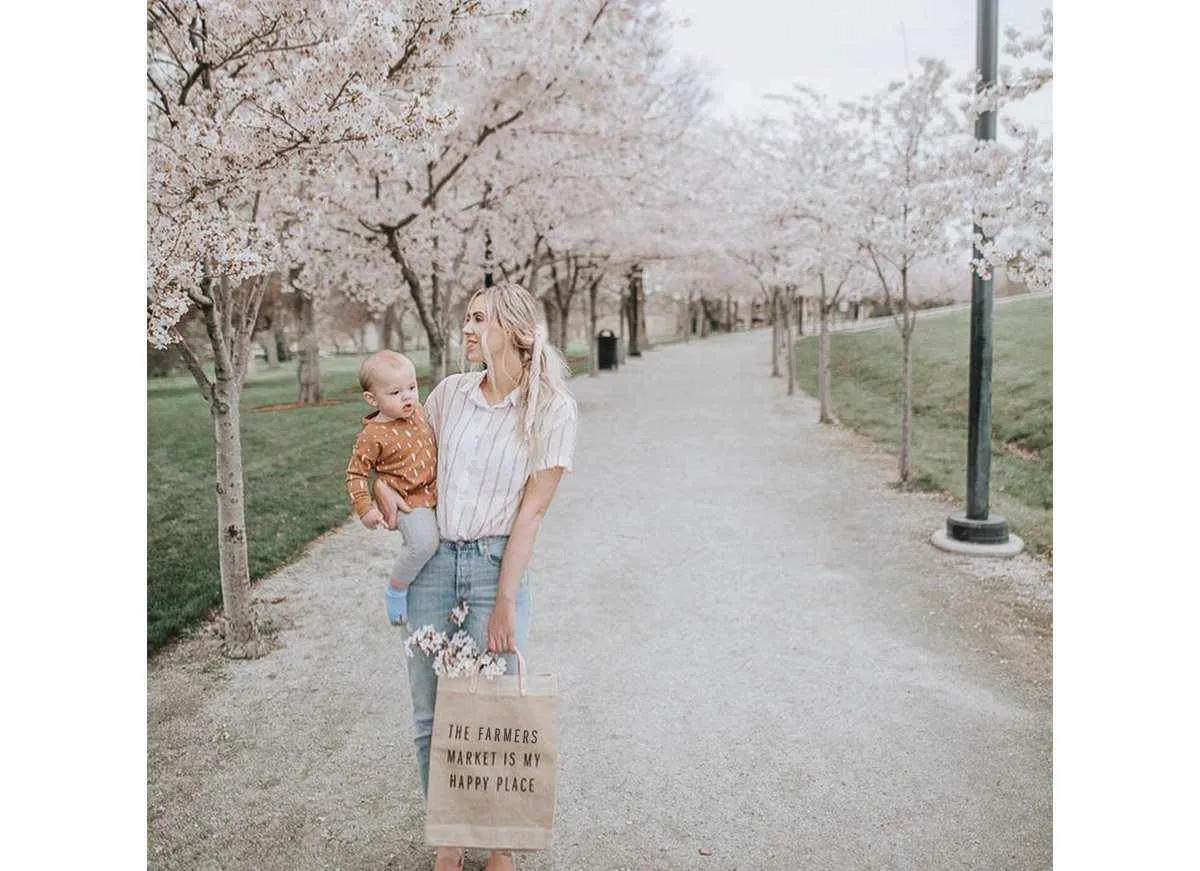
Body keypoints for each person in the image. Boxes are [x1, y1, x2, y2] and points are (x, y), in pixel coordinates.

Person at [373, 281, 578, 871]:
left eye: (477, 319)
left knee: (495, 710)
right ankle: (449, 843)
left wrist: (507, 600)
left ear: (513, 330)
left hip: (494, 567)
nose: (465, 329)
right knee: (430, 714)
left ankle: (501, 847)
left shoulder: (552, 411)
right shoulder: (447, 395)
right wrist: (382, 488)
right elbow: (404, 460)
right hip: (434, 566)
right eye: (465, 318)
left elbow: (533, 511)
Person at [344, 350, 439, 626]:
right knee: (423, 543)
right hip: (408, 500)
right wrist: (365, 508)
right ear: (372, 399)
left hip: (435, 490)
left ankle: (430, 596)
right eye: (396, 392)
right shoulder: (372, 435)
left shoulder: (419, 412)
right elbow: (355, 473)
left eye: (412, 387)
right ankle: (396, 588)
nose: (408, 396)